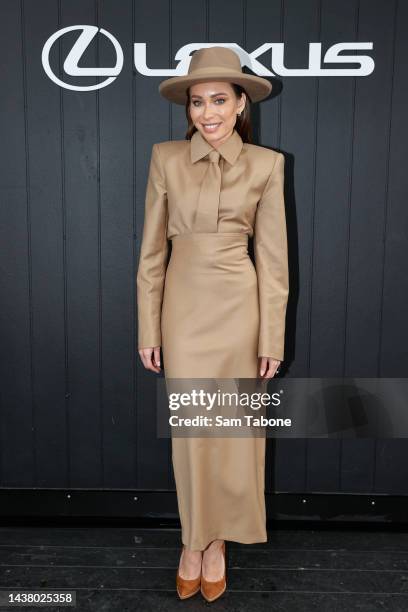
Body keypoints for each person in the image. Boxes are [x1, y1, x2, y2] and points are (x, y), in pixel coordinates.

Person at [137, 46, 289, 602]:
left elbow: (274, 260)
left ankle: (219, 541)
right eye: (198, 102)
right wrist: (148, 329)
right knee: (191, 432)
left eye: (219, 100)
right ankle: (191, 539)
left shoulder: (268, 166)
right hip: (183, 307)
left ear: (241, 102)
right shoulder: (165, 158)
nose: (208, 112)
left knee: (234, 433)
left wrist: (271, 336)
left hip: (240, 309)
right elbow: (151, 253)